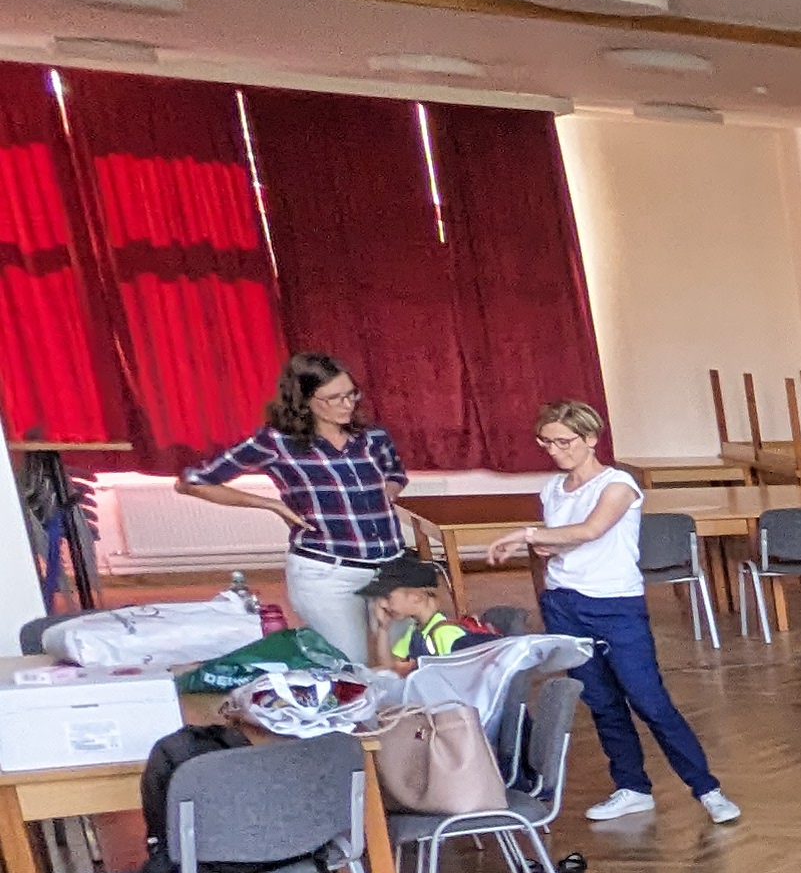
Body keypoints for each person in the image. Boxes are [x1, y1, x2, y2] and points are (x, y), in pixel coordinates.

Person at [473, 400, 740, 826]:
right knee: (600, 701)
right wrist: (545, 545)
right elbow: (560, 543)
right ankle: (632, 787)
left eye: (564, 441)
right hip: (564, 602)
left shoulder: (618, 485)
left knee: (649, 700)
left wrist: (529, 535)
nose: (555, 450)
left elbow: (591, 529)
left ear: (590, 438)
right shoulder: (553, 489)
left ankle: (708, 790)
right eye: (546, 442)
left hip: (615, 605)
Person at [181, 351, 411, 664]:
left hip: (392, 567)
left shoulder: (373, 437)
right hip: (328, 572)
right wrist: (269, 504)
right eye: (333, 398)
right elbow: (192, 481)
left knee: (400, 661)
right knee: (349, 664)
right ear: (304, 401)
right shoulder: (276, 441)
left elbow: (395, 473)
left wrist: (386, 493)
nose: (347, 404)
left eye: (351, 394)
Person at [360, 554, 488, 665]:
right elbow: (390, 669)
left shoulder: (445, 633)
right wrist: (383, 628)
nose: (382, 604)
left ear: (416, 597)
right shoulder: (416, 631)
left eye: (387, 597)